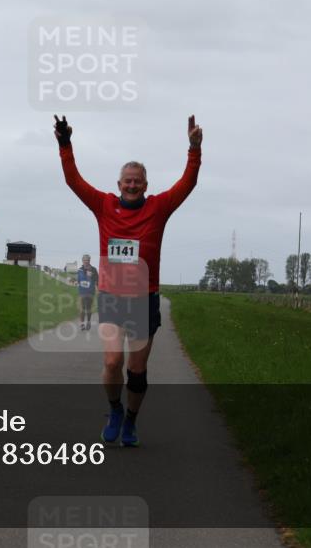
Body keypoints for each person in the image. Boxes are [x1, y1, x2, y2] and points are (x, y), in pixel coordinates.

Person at [55, 114, 202, 447]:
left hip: (143, 298)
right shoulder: (104, 205)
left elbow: (187, 183)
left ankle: (132, 420)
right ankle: (114, 410)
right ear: (119, 184)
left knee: (136, 370)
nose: (132, 185)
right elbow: (73, 180)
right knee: (112, 361)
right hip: (111, 296)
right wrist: (65, 143)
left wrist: (194, 148)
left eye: (138, 181)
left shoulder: (159, 207)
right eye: (127, 181)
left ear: (145, 185)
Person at [76, 254, 98, 330]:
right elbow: (78, 280)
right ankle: (82, 324)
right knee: (82, 308)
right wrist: (75, 282)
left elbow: (97, 280)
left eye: (87, 260)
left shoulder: (93, 269)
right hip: (82, 292)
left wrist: (92, 276)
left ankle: (88, 322)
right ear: (82, 261)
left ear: (89, 261)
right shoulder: (80, 270)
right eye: (85, 260)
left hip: (90, 292)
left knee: (88, 308)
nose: (86, 261)